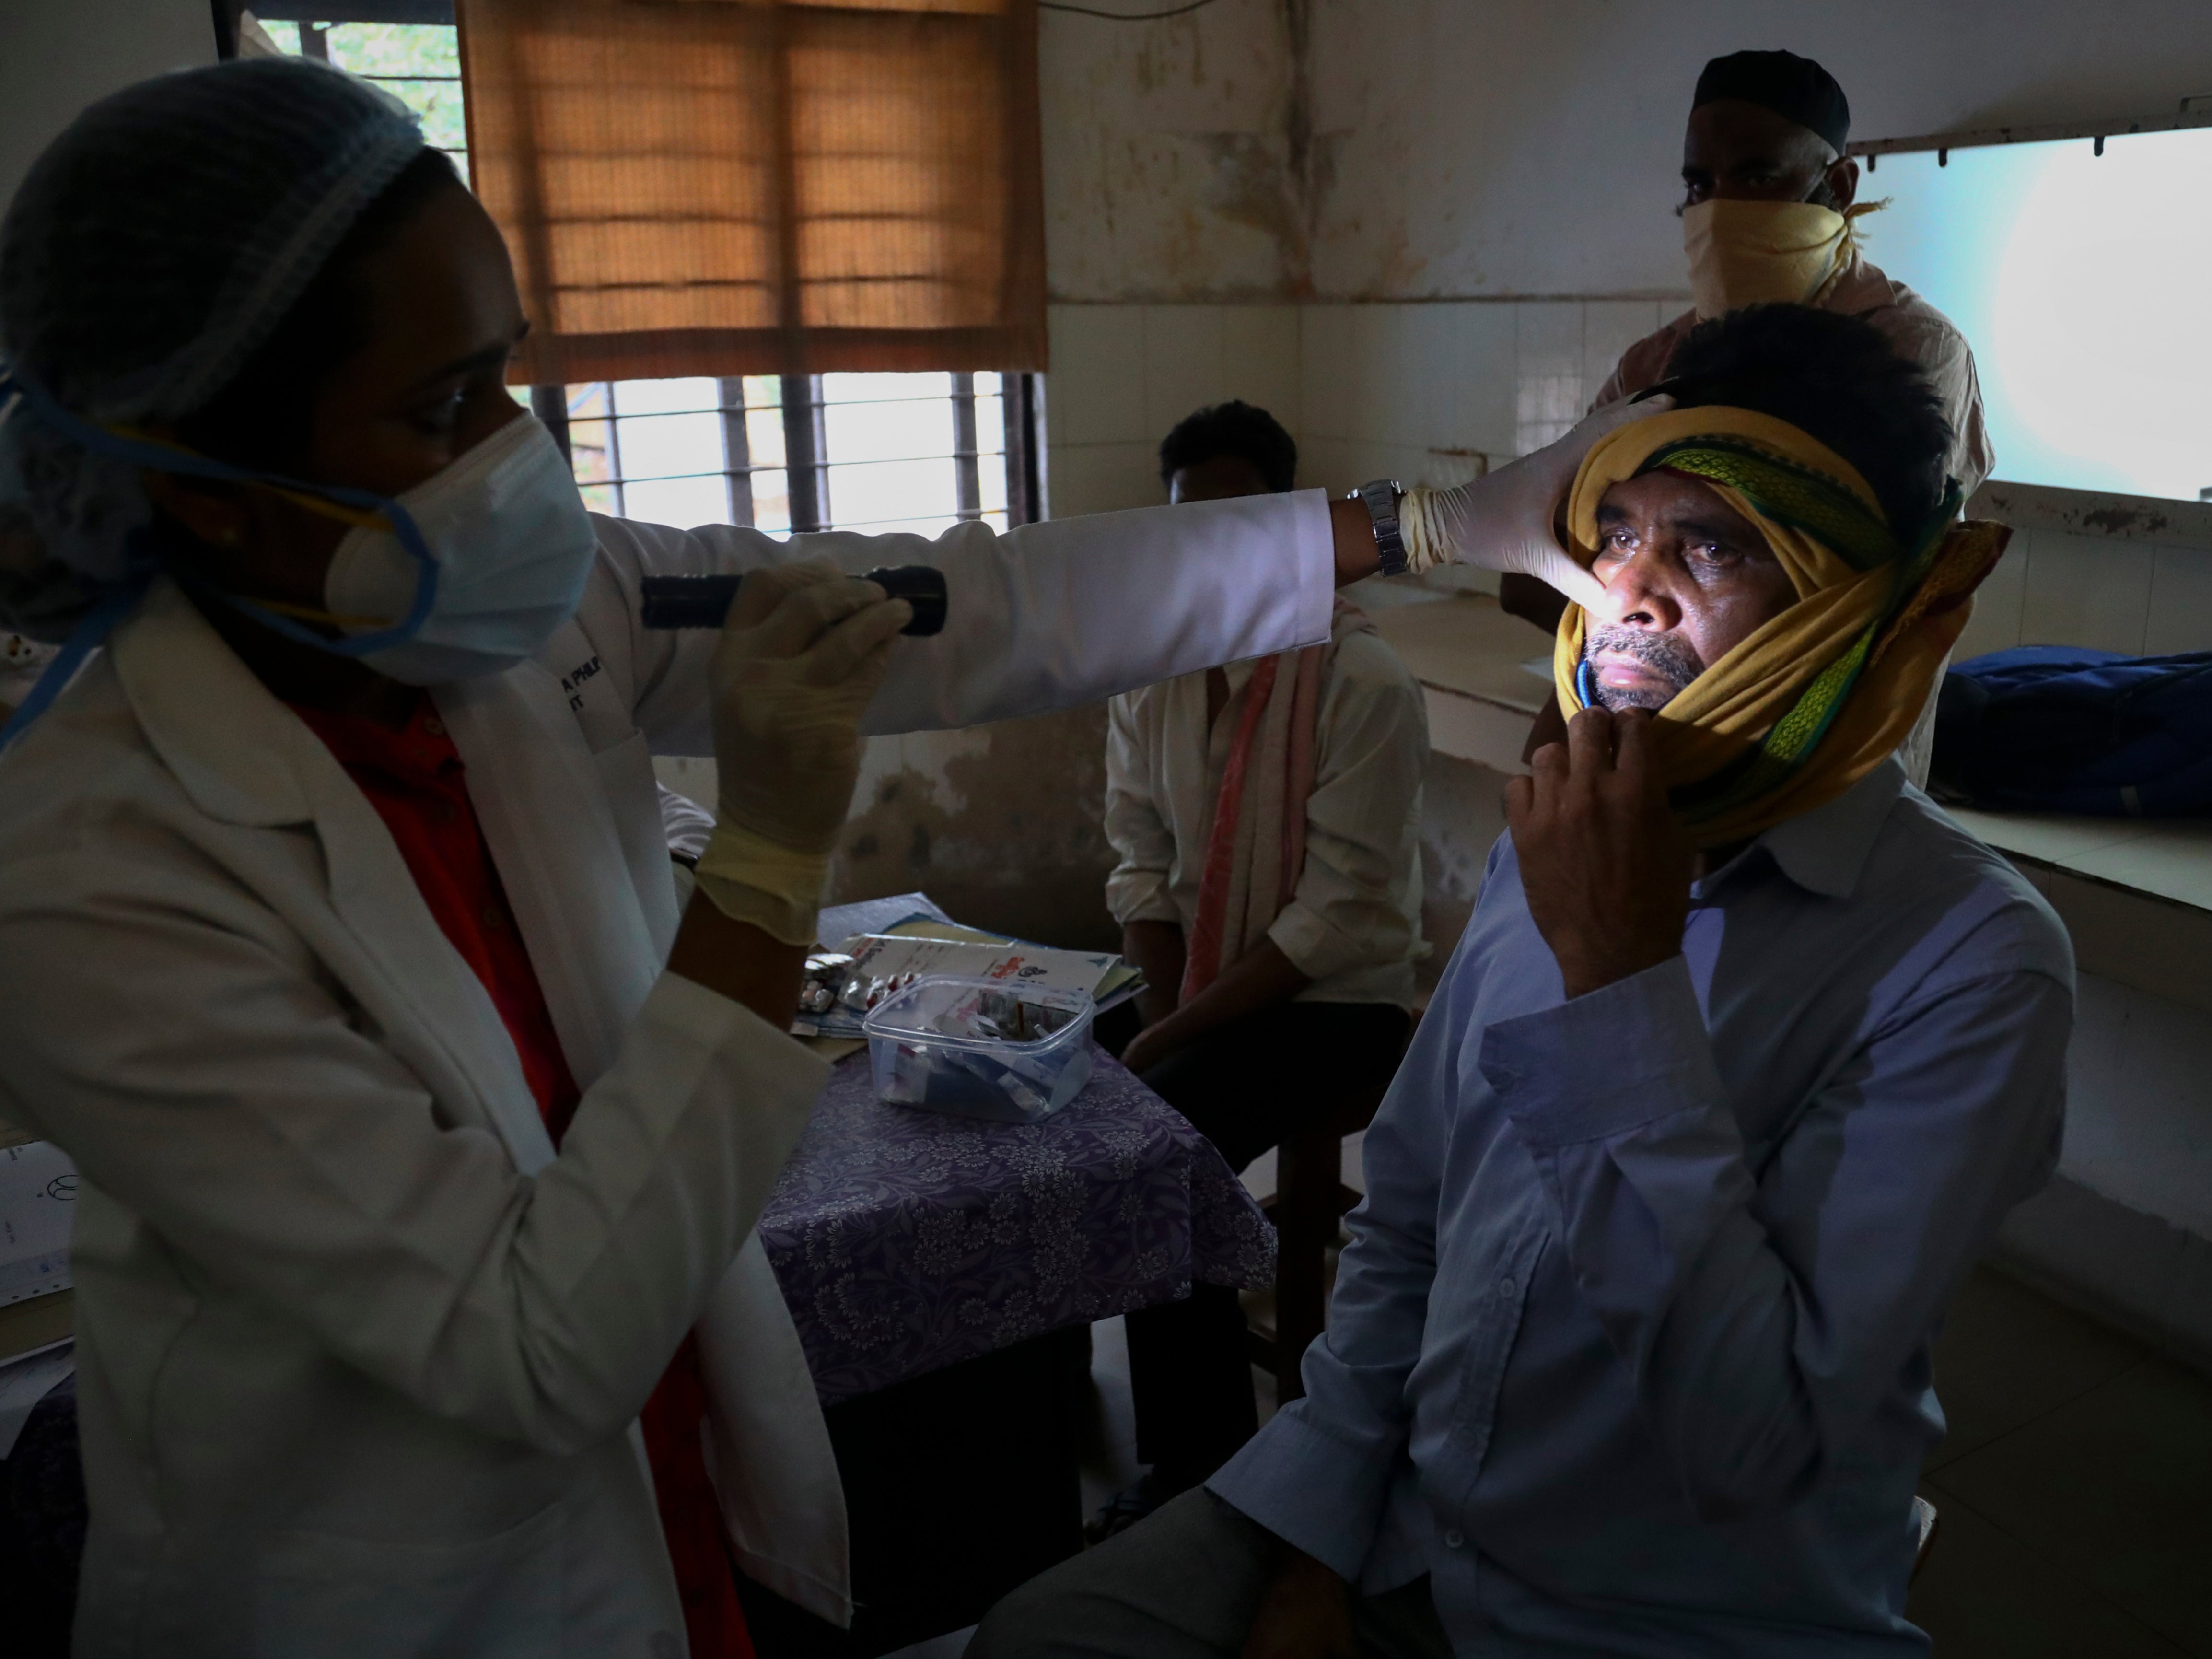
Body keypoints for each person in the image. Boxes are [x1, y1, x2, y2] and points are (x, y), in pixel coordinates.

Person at [0, 58, 1653, 1657]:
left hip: (667, 1475)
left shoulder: (516, 617)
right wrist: (773, 854)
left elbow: (978, 601)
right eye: (444, 407)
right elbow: (534, 1342)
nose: (517, 455)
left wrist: (1427, 528)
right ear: (211, 488)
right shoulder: (89, 868)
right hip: (385, 1575)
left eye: (511, 370)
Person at [972, 305, 2072, 1658]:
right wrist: (1319, 1537)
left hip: (1661, 1612)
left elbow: (1748, 1447)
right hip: (1398, 1510)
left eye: (1712, 547)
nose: (1631, 595)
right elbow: (1409, 1225)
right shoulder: (1545, 840)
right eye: (1615, 534)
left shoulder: (1968, 959)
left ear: (1865, 606)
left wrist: (1620, 980)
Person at [1096, 401, 1427, 1533]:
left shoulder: (1361, 681)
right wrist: (1156, 1011)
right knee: (1036, 1091)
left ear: (1291, 524)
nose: (1213, 547)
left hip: (1339, 1004)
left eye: (1244, 520)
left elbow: (1336, 924)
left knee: (1156, 1147)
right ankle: (1041, 1404)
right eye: (1193, 522)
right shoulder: (1155, 668)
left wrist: (1170, 1040)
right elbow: (1141, 859)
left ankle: (1203, 1477)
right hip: (1200, 979)